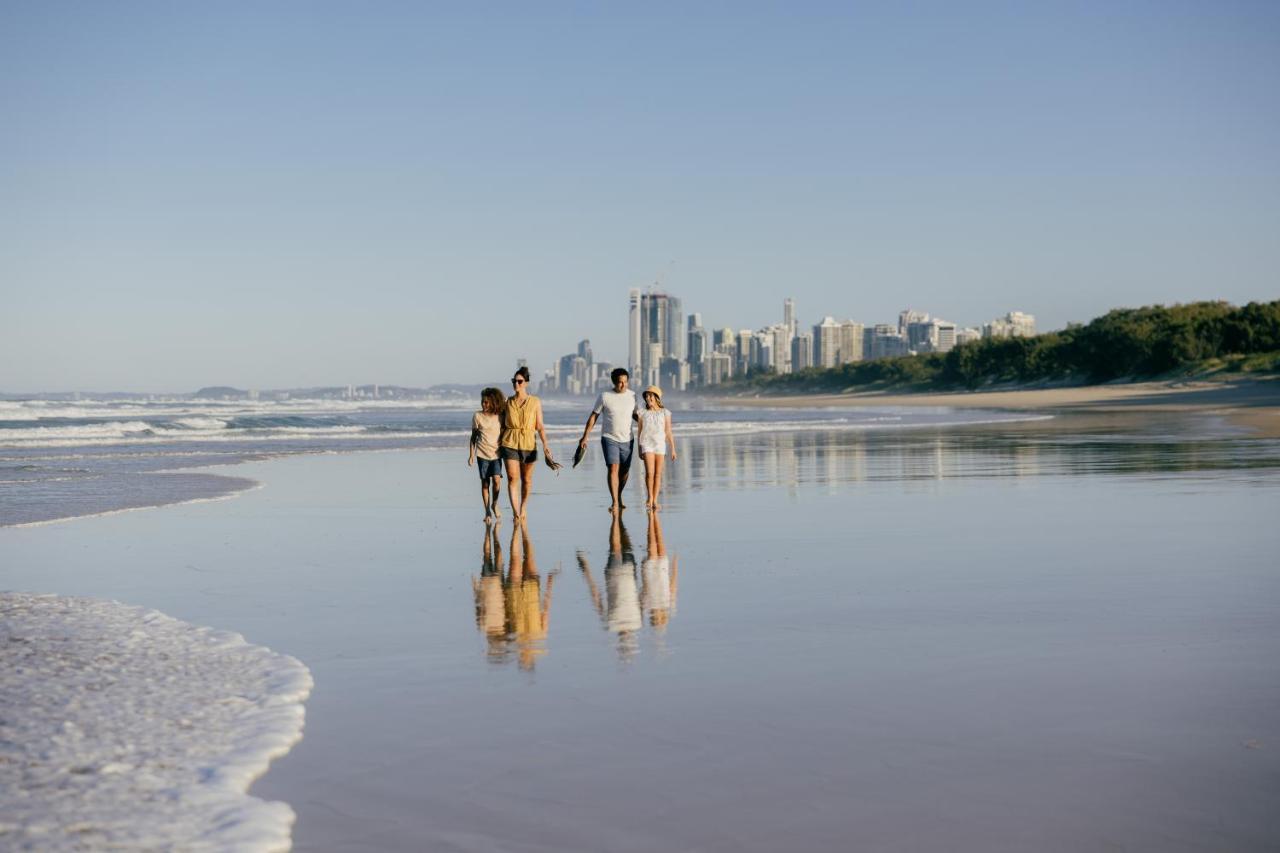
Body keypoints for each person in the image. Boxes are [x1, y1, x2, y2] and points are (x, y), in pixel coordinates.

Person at [577, 367, 638, 514]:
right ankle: (615, 502)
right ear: (614, 382)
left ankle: (619, 495)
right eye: (619, 382)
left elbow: (636, 416)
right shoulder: (605, 396)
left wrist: (649, 426)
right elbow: (593, 416)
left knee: (624, 471)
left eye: (625, 382)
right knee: (613, 468)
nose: (622, 385)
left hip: (628, 439)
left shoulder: (633, 396)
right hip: (609, 438)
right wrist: (585, 436)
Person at [499, 366, 554, 522]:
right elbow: (500, 424)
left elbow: (540, 425)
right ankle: (516, 512)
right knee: (511, 478)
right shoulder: (507, 402)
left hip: (529, 443)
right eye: (514, 381)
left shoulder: (535, 402)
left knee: (527, 479)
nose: (516, 384)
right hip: (509, 442)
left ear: (526, 383)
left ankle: (523, 507)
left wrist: (545, 445)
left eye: (519, 381)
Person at [636, 385, 677, 511]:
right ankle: (649, 497)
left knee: (658, 474)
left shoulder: (665, 412)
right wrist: (639, 448)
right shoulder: (642, 412)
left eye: (650, 396)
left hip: (660, 444)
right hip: (647, 443)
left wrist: (673, 449)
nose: (648, 398)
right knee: (649, 473)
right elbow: (639, 431)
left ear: (656, 397)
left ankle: (655, 500)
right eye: (646, 396)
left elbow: (668, 431)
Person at [467, 387, 505, 523]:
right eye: (482, 402)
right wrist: (471, 455)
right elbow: (473, 438)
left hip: (496, 454)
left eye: (486, 402)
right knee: (485, 484)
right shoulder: (477, 416)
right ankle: (487, 510)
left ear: (493, 402)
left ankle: (494, 503)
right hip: (482, 454)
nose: (484, 405)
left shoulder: (499, 415)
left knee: (497, 481)